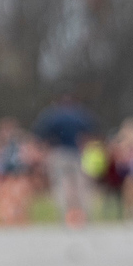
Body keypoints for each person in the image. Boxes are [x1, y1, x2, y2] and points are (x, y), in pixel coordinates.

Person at [32, 93, 96, 226]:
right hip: (76, 154)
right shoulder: (80, 114)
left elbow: (39, 134)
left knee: (60, 185)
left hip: (58, 153)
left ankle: (64, 216)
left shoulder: (53, 115)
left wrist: (46, 148)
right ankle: (84, 216)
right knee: (80, 186)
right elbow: (91, 132)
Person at [0, 117, 33, 225]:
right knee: (2, 199)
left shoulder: (20, 143)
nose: (7, 133)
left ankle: (20, 219)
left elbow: (26, 158)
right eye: (5, 130)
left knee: (19, 197)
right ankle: (3, 220)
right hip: (1, 175)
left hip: (17, 174)